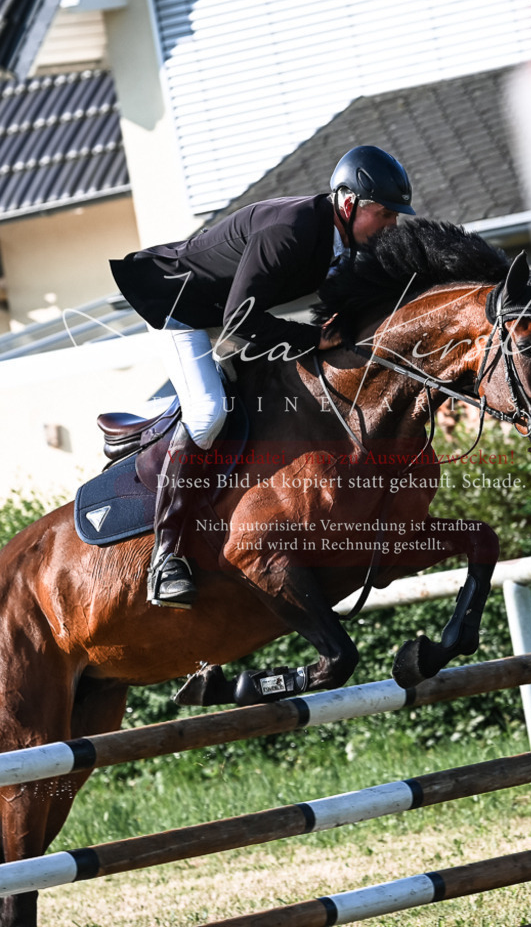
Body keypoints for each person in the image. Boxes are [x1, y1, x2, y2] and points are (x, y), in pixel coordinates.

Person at [110, 145, 415, 610]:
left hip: (233, 308)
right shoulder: (289, 231)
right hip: (183, 309)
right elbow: (241, 321)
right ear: (349, 204)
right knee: (209, 412)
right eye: (384, 215)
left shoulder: (343, 239)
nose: (391, 226)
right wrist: (315, 339)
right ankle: (165, 558)